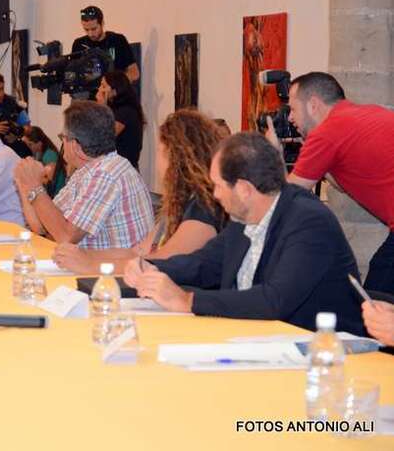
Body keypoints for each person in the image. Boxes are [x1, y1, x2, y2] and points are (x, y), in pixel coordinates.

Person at [124, 132, 365, 335]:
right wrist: (151, 267)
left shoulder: (309, 223)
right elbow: (205, 264)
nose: (215, 195)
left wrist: (186, 301)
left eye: (219, 185)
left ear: (244, 189)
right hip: (256, 340)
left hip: (320, 351)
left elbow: (273, 300)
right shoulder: (244, 218)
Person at [265, 72, 394, 295]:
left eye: (293, 109)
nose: (291, 118)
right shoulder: (364, 113)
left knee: (376, 301)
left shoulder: (326, 134)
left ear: (313, 105)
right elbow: (344, 184)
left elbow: (286, 198)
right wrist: (317, 160)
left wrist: (275, 155)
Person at [54, 109, 225, 273]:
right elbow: (137, 251)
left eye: (159, 151)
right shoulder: (180, 202)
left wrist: (92, 265)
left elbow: (162, 263)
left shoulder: (203, 209)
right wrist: (83, 255)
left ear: (174, 156)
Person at [14, 101, 153, 249]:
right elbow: (42, 226)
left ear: (75, 146)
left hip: (112, 264)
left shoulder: (105, 175)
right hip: (94, 261)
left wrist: (35, 187)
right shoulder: (87, 170)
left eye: (62, 137)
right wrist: (24, 183)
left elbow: (66, 237)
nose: (62, 143)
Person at [71, 5, 138, 95]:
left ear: (102, 23)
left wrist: (115, 89)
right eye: (86, 29)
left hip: (115, 94)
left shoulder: (117, 40)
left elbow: (134, 73)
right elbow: (73, 74)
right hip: (88, 96)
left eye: (94, 29)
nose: (90, 34)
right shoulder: (79, 44)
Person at [96, 71, 145, 169]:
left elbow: (104, 136)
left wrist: (102, 107)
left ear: (114, 91)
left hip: (124, 170)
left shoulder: (126, 111)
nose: (99, 89)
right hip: (114, 167)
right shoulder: (113, 109)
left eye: (103, 86)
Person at [22, 126, 66, 197]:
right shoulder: (39, 154)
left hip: (57, 195)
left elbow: (49, 183)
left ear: (39, 143)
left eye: (30, 144)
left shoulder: (49, 155)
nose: (28, 147)